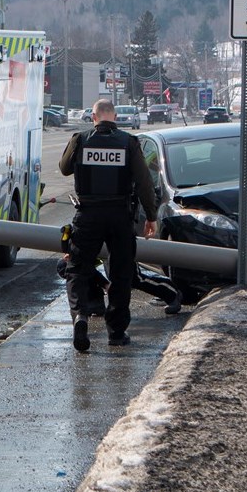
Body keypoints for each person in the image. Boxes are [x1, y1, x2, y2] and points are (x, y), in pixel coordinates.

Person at [58, 98, 158, 352]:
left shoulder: (81, 139)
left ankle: (80, 316)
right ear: (114, 116)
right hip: (119, 216)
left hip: (88, 215)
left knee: (77, 269)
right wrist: (151, 216)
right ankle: (116, 332)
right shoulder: (129, 142)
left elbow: (64, 168)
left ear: (94, 117)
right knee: (121, 273)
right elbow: (144, 182)